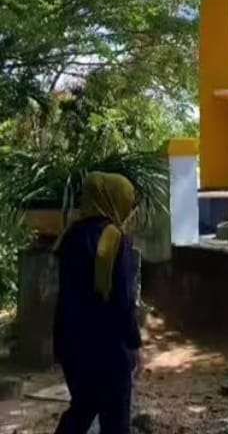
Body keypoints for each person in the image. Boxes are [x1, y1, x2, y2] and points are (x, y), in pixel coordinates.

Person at [53, 172, 141, 434]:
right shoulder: (114, 238)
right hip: (108, 347)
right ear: (114, 199)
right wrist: (134, 344)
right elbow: (122, 300)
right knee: (115, 420)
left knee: (82, 407)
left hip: (72, 344)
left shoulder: (70, 236)